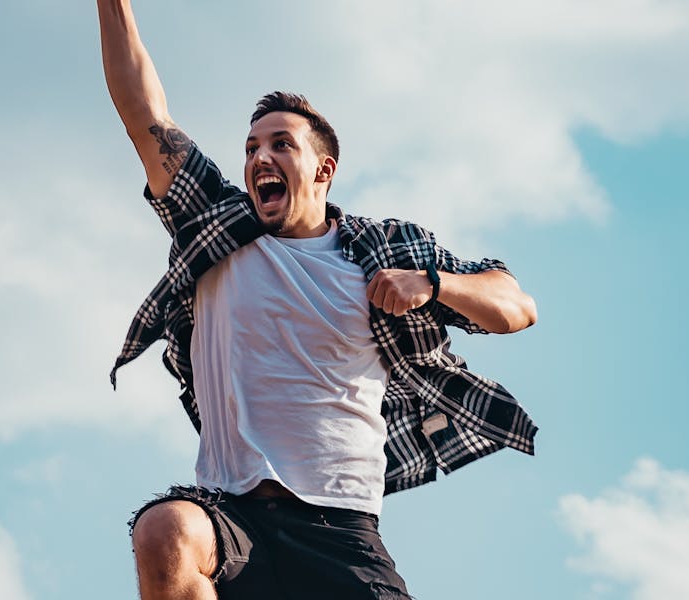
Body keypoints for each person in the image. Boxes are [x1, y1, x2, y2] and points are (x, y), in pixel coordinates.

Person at [99, 1, 539, 598]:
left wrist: (432, 283)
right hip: (232, 516)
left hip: (341, 528)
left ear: (323, 169)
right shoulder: (214, 222)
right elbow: (142, 110)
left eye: (281, 145)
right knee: (165, 531)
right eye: (251, 148)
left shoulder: (382, 250)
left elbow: (515, 306)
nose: (260, 159)